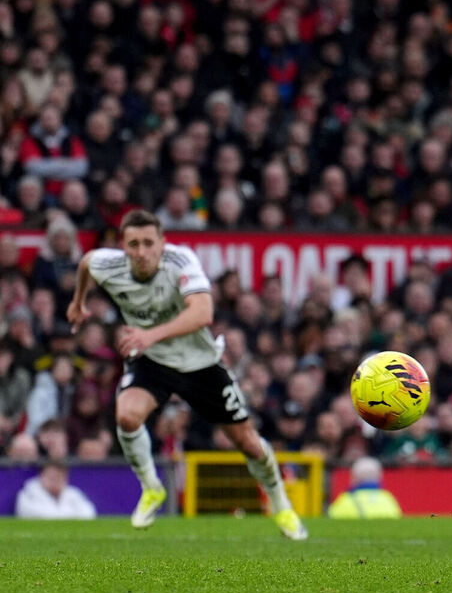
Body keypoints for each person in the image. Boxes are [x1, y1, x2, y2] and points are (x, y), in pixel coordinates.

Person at [66, 209, 307, 540]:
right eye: (133, 244)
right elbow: (85, 263)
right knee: (127, 416)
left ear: (162, 243)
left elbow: (203, 312)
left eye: (148, 243)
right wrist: (78, 302)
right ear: (123, 245)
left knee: (247, 442)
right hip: (152, 361)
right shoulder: (108, 265)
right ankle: (152, 487)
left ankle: (282, 506)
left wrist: (150, 334)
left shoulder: (180, 262)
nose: (141, 252)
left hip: (200, 364)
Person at [15, 458, 97, 520]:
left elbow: (89, 513)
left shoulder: (73, 493)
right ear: (42, 476)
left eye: (59, 478)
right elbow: (29, 513)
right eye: (52, 478)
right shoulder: (29, 492)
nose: (55, 481)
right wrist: (70, 515)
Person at [328, 456, 402, 519]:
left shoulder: (346, 499)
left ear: (354, 478)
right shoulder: (387, 498)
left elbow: (332, 517)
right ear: (379, 477)